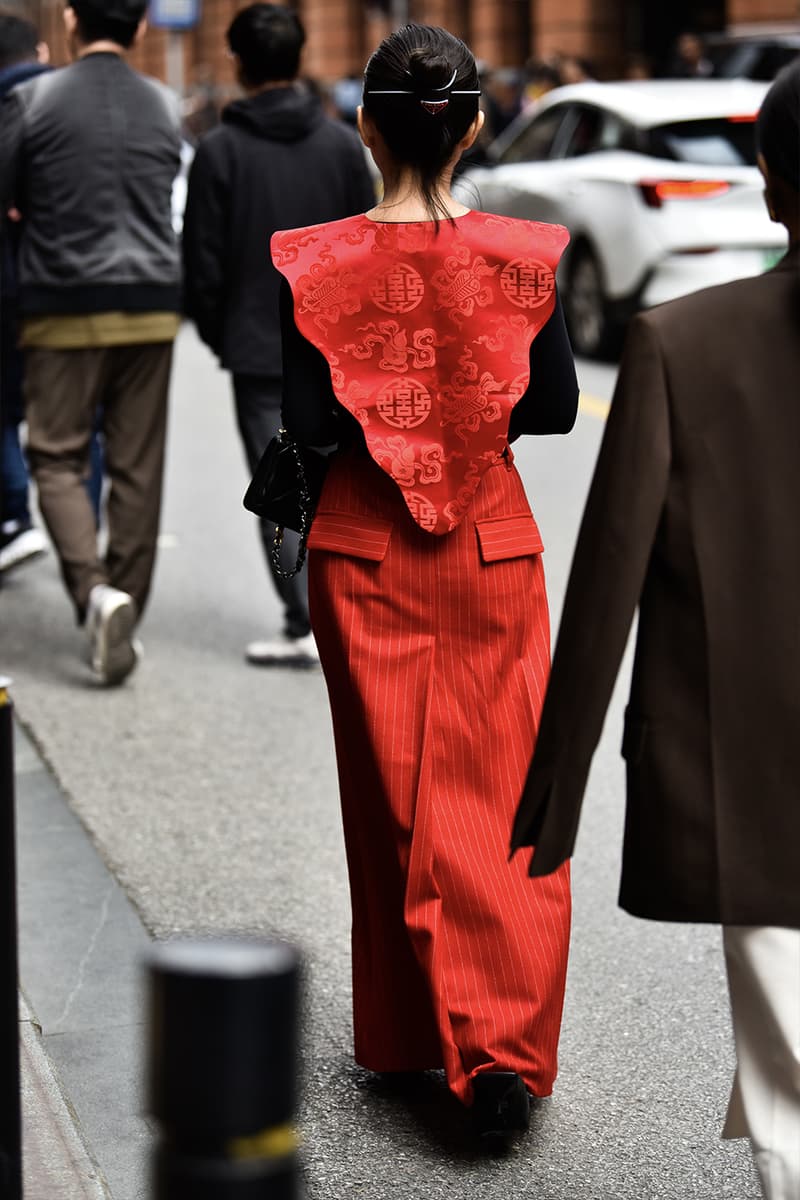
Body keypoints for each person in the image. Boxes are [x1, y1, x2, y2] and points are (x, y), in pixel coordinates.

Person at [272, 23, 579, 1140]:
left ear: (364, 123)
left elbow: (307, 423)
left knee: (395, 802)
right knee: (504, 799)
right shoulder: (525, 254)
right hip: (492, 544)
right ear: (474, 127)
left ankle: (414, 1039)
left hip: (363, 551)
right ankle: (497, 1049)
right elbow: (546, 407)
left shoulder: (312, 259)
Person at [511, 59, 800, 1199]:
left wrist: (556, 783)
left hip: (751, 743)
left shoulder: (680, 344)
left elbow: (607, 572)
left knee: (780, 973)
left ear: (769, 186)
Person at [182, 3, 375, 667]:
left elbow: (202, 263)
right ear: (299, 58)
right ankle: (347, 610)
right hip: (339, 345)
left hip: (259, 347)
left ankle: (306, 623)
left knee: (282, 487)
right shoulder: (342, 146)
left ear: (238, 63)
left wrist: (221, 333)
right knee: (339, 478)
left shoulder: (219, 151)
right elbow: (366, 241)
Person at [0, 0, 182, 684]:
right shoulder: (165, 105)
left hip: (61, 302)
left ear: (71, 22)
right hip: (152, 304)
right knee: (138, 463)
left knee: (55, 454)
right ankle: (125, 603)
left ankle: (96, 592)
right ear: (139, 28)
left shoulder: (36, 102)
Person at [0, 10, 49, 575]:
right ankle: (86, 529)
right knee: (82, 418)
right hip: (72, 284)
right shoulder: (64, 101)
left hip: (10, 284)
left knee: (5, 409)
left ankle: (17, 515)